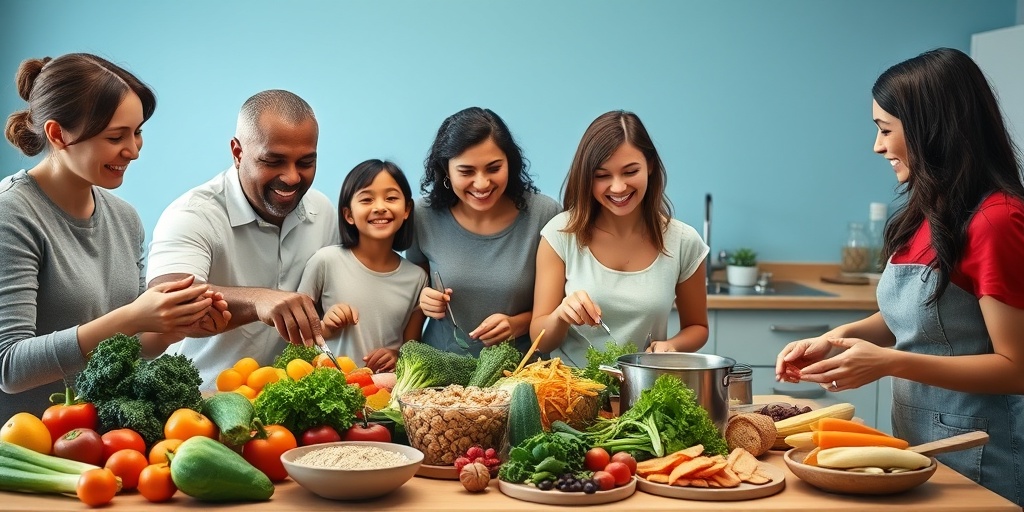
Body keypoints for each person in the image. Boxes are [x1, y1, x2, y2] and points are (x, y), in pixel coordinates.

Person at [775, 48, 1024, 506]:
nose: (877, 146)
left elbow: (1016, 368)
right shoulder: (928, 213)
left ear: (933, 128)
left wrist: (889, 362)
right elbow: (912, 320)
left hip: (981, 454)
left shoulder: (996, 220)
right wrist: (835, 339)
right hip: (920, 442)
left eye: (886, 129)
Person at [0, 54, 229, 419]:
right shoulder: (11, 214)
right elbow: (9, 367)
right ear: (58, 134)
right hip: (25, 445)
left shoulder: (125, 218)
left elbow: (129, 346)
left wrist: (172, 327)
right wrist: (132, 316)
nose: (133, 151)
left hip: (103, 439)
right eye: (115, 137)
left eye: (137, 132)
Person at [146, 89, 339, 390]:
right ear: (237, 152)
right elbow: (165, 299)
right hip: (199, 402)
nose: (292, 177)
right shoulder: (191, 214)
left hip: (285, 402)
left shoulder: (323, 211)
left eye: (305, 162)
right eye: (273, 161)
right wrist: (259, 300)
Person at [531, 110, 709, 367]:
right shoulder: (560, 234)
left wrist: (672, 346)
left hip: (644, 384)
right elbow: (540, 340)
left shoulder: (683, 241)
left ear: (650, 166)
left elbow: (697, 327)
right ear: (587, 178)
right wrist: (561, 315)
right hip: (572, 387)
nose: (618, 187)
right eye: (602, 176)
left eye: (630, 171)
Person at [409, 107, 560, 357]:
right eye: (466, 171)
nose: (482, 183)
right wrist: (422, 300)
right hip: (440, 369)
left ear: (510, 163)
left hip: (522, 370)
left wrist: (517, 324)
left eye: (493, 168)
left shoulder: (545, 214)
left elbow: (561, 307)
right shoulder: (422, 215)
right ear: (446, 170)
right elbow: (409, 288)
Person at [297, 159, 427, 373]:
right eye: (367, 199)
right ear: (348, 214)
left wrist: (396, 355)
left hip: (385, 389)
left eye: (391, 198)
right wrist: (327, 327)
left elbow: (411, 349)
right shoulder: (325, 261)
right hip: (333, 386)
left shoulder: (417, 278)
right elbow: (298, 336)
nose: (380, 207)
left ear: (407, 209)